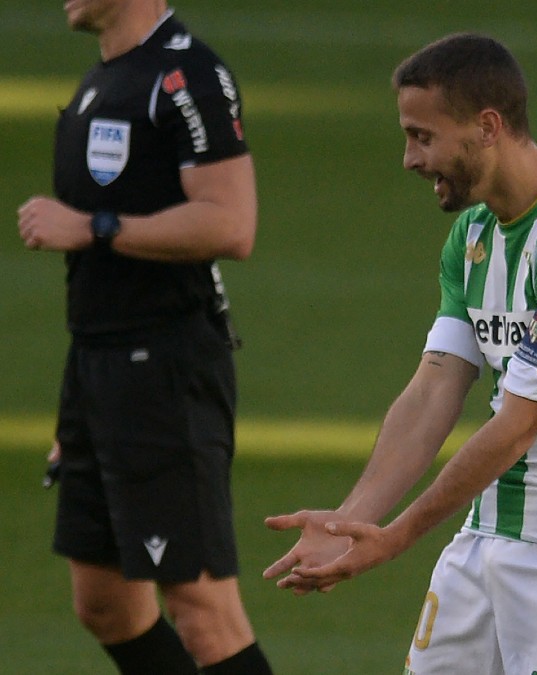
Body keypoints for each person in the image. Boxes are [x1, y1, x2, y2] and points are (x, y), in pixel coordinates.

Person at [263, 33, 537, 675]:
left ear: (487, 127)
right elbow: (433, 390)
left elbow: (516, 425)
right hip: (485, 537)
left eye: (423, 136)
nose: (408, 158)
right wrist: (351, 521)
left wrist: (396, 538)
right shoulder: (473, 236)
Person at [16, 1, 271, 673]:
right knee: (104, 602)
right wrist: (82, 409)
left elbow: (232, 222)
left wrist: (95, 226)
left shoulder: (187, 75)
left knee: (202, 610)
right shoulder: (106, 77)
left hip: (164, 364)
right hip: (101, 367)